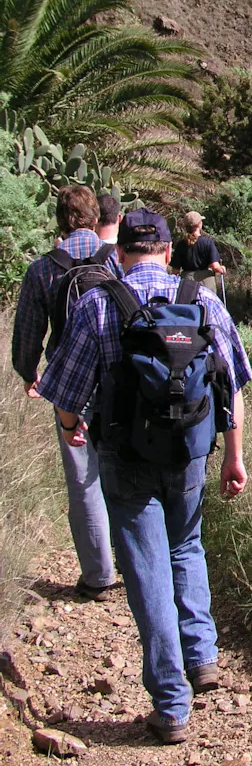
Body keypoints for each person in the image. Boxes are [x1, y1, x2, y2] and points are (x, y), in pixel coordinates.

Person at [38, 208, 252, 745]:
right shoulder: (199, 299)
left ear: (121, 253)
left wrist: (72, 427)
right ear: (167, 250)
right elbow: (233, 385)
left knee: (146, 566)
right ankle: (201, 655)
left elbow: (63, 391)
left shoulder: (97, 303)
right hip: (188, 454)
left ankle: (170, 702)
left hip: (126, 457)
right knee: (186, 545)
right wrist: (233, 456)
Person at [11, 186, 120, 602]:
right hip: (115, 380)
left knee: (83, 479)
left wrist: (29, 372)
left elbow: (28, 330)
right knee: (120, 470)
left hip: (66, 384)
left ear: (60, 220)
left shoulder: (43, 269)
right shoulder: (117, 261)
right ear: (96, 218)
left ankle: (98, 576)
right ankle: (134, 560)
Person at [169, 210, 225, 292]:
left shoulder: (181, 244)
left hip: (187, 282)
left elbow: (175, 271)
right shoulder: (207, 242)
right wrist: (222, 269)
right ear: (199, 225)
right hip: (206, 282)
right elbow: (215, 266)